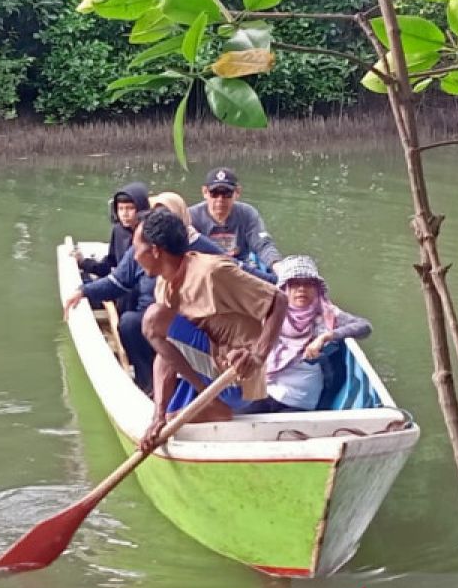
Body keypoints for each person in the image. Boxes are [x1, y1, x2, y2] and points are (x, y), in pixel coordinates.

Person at [133, 210, 288, 452]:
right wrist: (159, 415)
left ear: (155, 251)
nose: (134, 256)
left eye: (136, 249)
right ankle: (206, 401)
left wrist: (257, 356)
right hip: (210, 370)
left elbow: (279, 300)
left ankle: (214, 402)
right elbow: (163, 352)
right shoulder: (164, 283)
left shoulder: (212, 272)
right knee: (158, 327)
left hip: (235, 376)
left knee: (153, 320)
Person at [63, 193, 223, 394]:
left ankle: (201, 387)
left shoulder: (202, 250)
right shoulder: (144, 247)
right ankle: (148, 384)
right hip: (150, 318)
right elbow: (118, 281)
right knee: (131, 322)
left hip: (192, 321)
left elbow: (238, 273)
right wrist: (83, 291)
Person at [244, 255, 372, 413]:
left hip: (299, 399)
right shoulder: (271, 311)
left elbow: (364, 326)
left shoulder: (326, 313)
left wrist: (325, 336)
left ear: (317, 288)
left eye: (308, 284)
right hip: (266, 388)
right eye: (295, 284)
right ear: (285, 288)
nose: (302, 289)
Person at [190, 167, 282, 274]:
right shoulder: (191, 216)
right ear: (205, 192)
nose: (220, 199)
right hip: (205, 270)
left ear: (237, 192)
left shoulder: (247, 213)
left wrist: (277, 265)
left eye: (226, 193)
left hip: (241, 268)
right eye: (214, 193)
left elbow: (263, 245)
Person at [77, 182, 150, 279]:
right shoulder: (118, 230)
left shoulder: (149, 233)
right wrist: (84, 263)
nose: (124, 214)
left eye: (130, 208)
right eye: (121, 209)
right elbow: (112, 262)